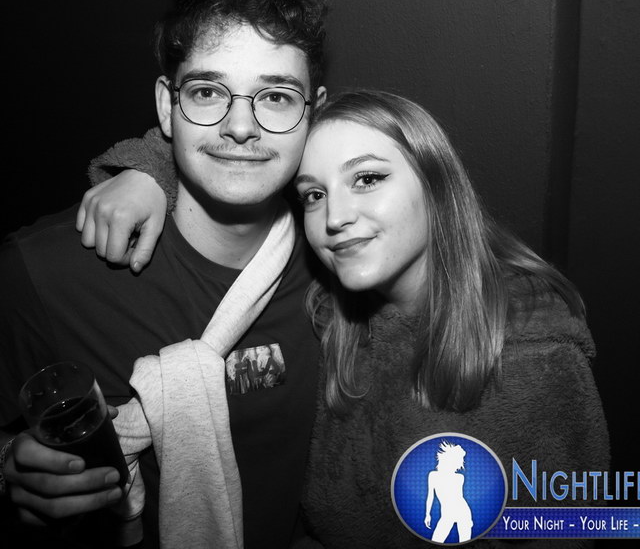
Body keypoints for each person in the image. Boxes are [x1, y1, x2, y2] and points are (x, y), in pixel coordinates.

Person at [72, 90, 610, 548]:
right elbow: (243, 153)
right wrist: (146, 172)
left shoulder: (530, 351)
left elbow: (580, 524)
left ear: (437, 184)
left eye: (368, 178)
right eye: (314, 194)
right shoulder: (328, 310)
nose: (335, 217)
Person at [0, 0, 328, 549]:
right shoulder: (43, 272)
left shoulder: (338, 262)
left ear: (313, 114)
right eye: (207, 92)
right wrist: (10, 471)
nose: (240, 127)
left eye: (277, 97)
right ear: (166, 105)